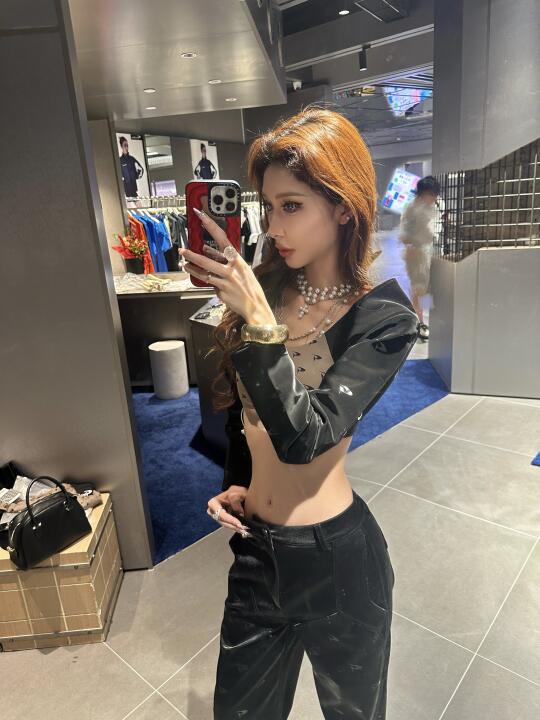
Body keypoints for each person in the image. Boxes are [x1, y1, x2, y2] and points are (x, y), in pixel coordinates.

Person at [179, 106, 420, 720]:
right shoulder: (266, 289)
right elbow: (245, 414)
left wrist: (261, 326)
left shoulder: (383, 319)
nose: (274, 226)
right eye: (268, 207)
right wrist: (239, 482)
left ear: (343, 208)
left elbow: (306, 438)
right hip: (256, 554)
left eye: (292, 205)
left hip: (337, 560)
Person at [398, 175, 441, 341]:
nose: (434, 197)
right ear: (423, 193)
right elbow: (404, 234)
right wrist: (411, 246)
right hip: (416, 253)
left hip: (430, 252)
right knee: (419, 288)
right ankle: (420, 322)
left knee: (426, 288)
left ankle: (424, 320)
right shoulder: (412, 209)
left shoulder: (434, 206)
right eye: (432, 194)